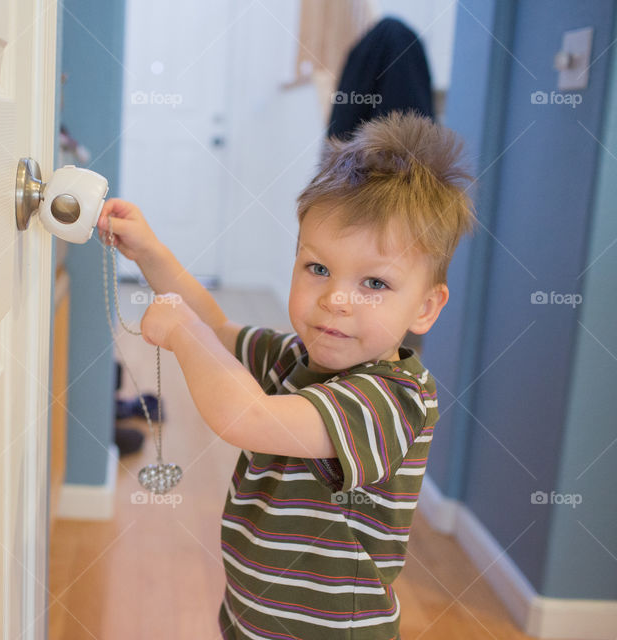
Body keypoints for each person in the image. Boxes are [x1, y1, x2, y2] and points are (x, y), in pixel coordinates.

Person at [95, 111, 477, 639]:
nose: (335, 301)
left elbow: (245, 417)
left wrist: (182, 335)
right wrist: (151, 253)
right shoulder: (296, 359)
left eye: (374, 283)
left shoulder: (390, 401)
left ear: (425, 308)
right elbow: (219, 325)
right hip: (254, 615)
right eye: (318, 269)